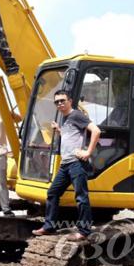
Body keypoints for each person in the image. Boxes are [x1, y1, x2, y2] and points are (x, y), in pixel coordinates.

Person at [32, 90, 101, 241]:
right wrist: (60, 131)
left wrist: (88, 152)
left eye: (62, 100)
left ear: (70, 100)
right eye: (57, 102)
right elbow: (72, 136)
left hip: (76, 163)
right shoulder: (66, 119)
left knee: (81, 197)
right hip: (65, 165)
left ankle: (84, 231)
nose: (60, 104)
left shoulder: (76, 115)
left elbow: (96, 131)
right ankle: (49, 226)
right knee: (52, 192)